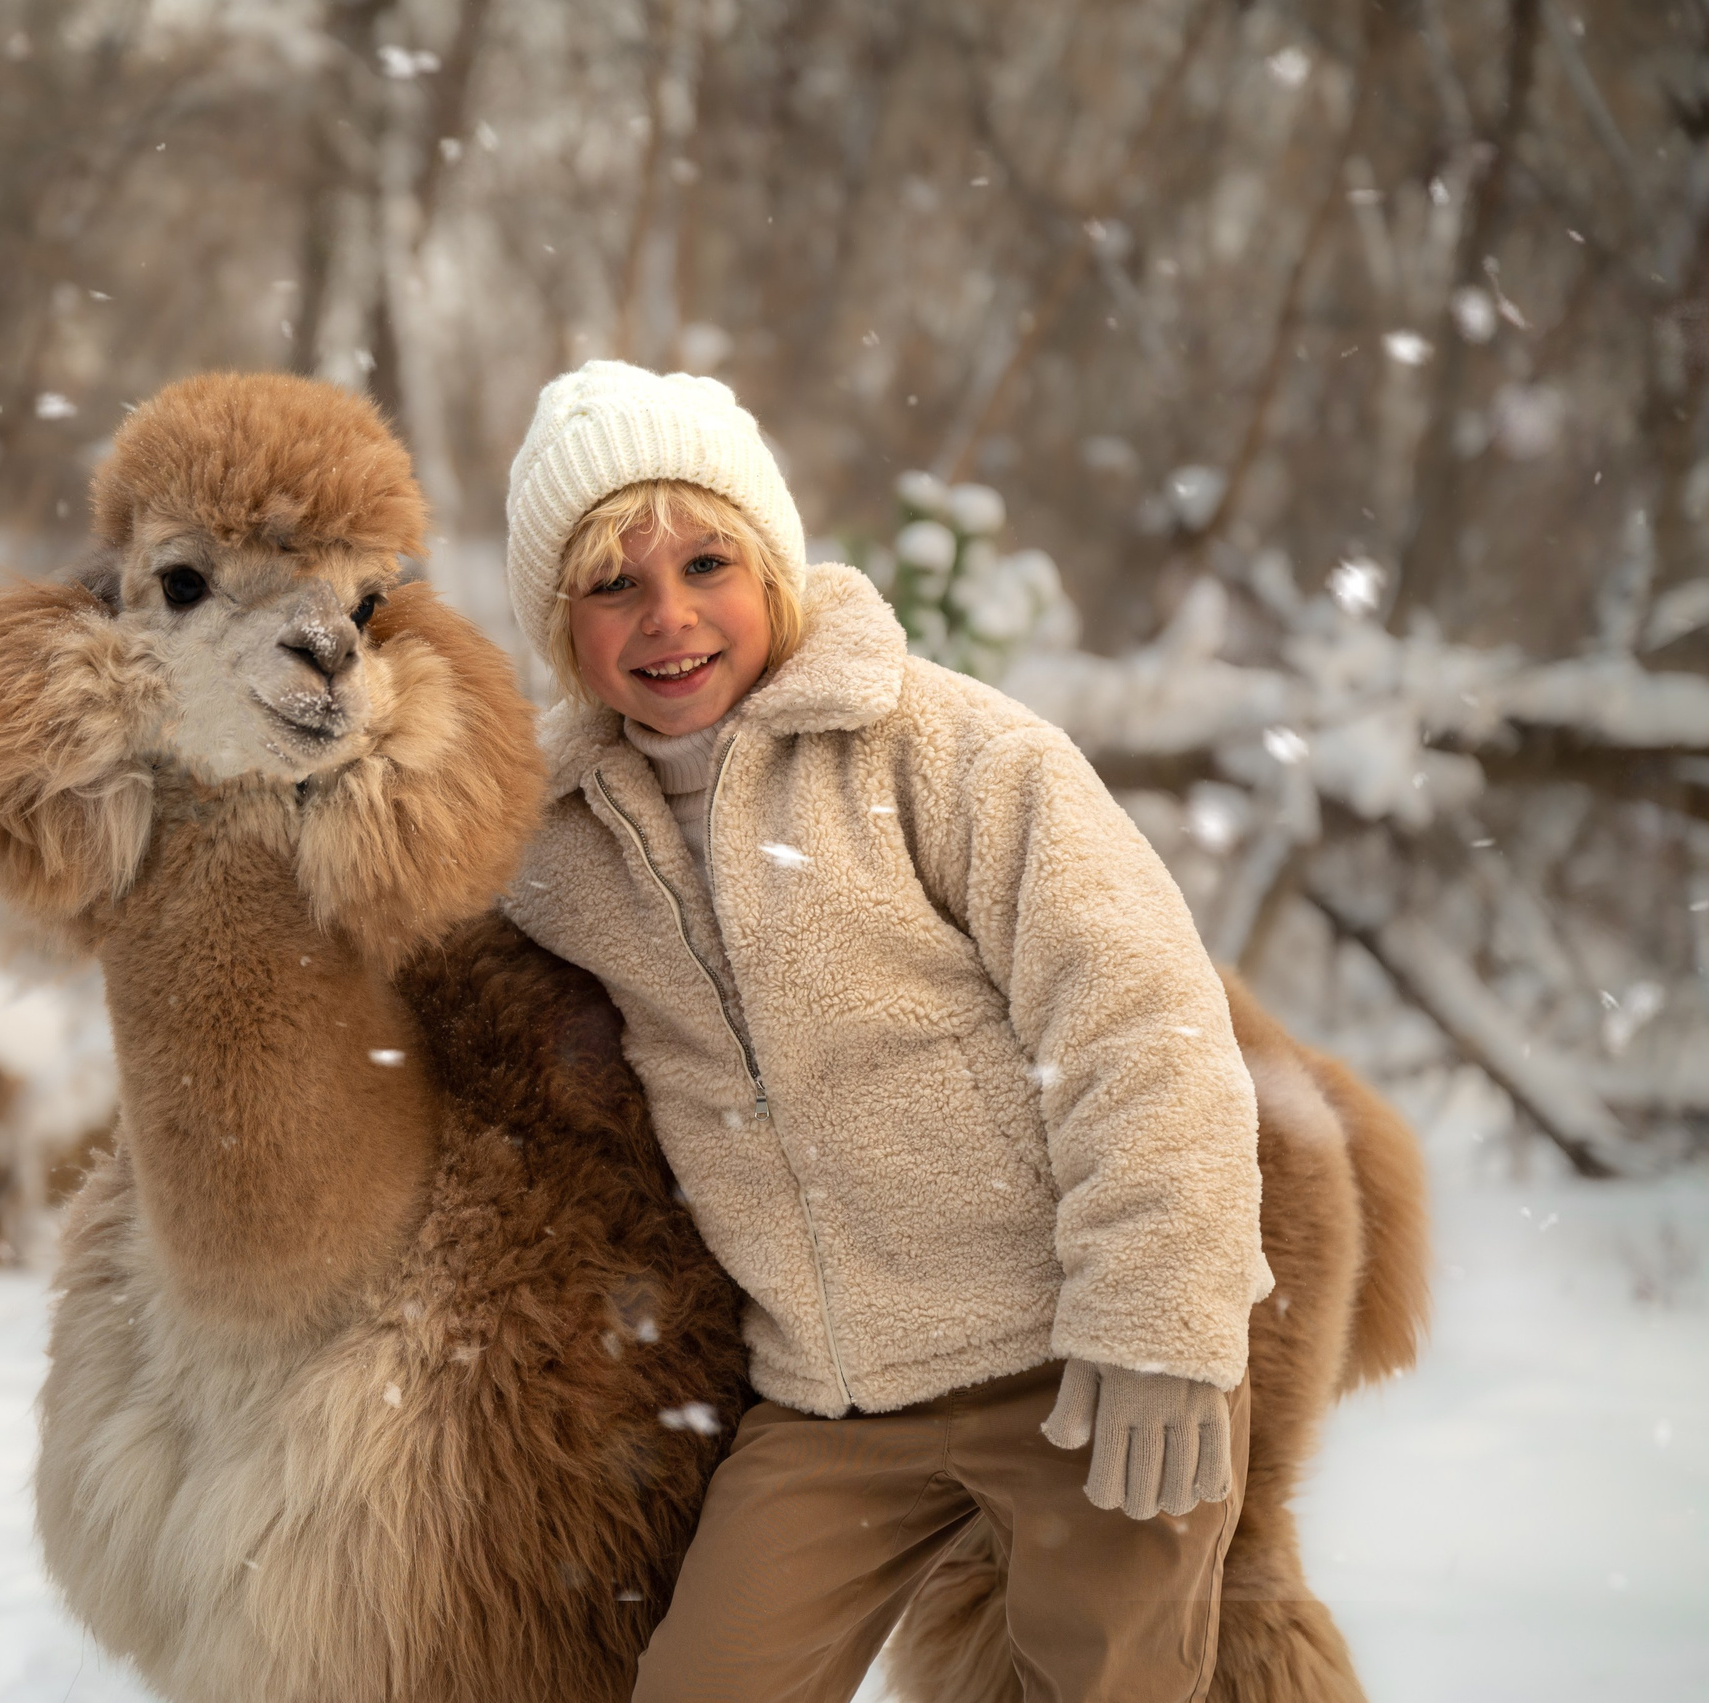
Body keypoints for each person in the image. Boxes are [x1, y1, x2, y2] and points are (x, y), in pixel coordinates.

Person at [498, 361, 1272, 1703]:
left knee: (1113, 1684)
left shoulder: (947, 753)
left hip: (1075, 1361)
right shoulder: (554, 843)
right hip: (831, 1401)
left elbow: (1142, 1021)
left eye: (707, 563)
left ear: (774, 568)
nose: (668, 615)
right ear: (559, 628)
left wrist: (1158, 1319)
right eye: (612, 584)